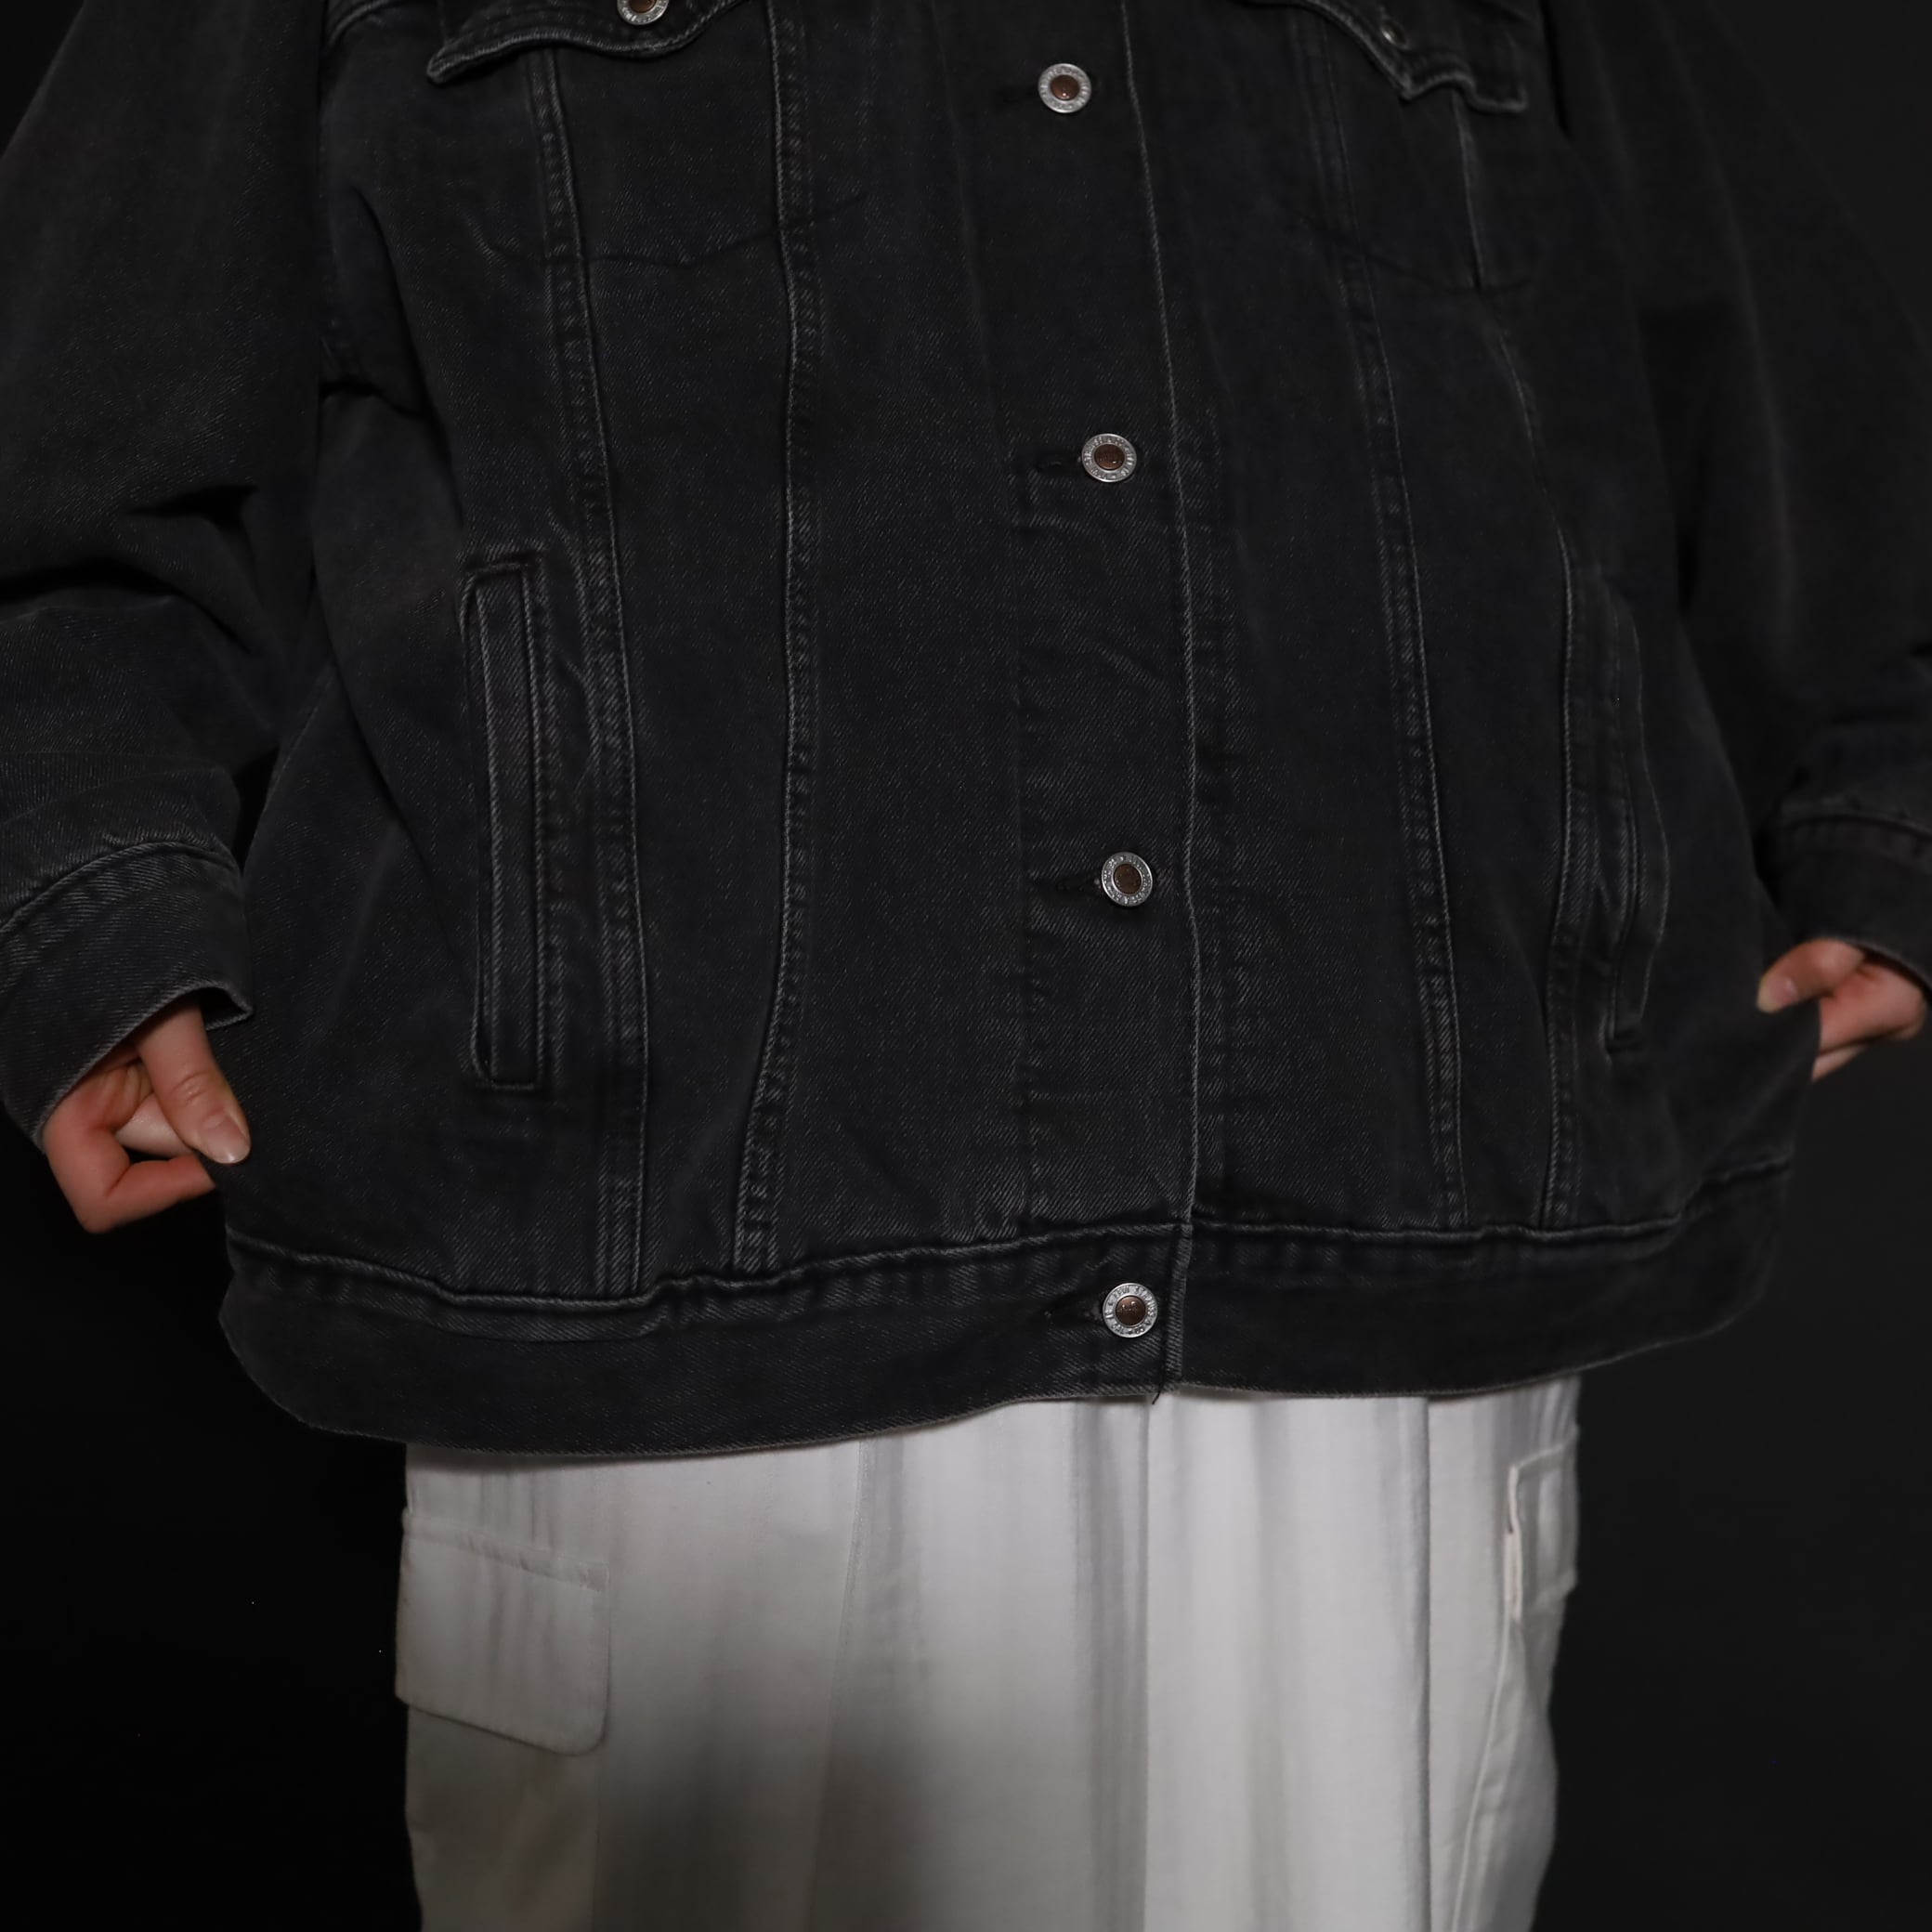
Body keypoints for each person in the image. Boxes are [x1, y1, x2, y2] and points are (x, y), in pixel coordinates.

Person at [2, 1, 1925, 1926]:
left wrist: (1885, 802)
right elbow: (67, 452)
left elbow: (1780, 379)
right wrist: (92, 908)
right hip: (668, 1294)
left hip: (1377, 1281)